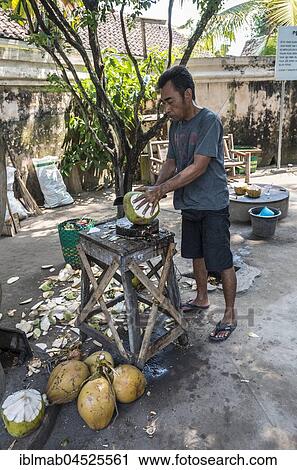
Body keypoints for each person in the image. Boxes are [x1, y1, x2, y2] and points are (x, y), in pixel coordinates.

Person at [136, 65, 237, 342]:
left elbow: (198, 167)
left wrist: (163, 189)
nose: (166, 108)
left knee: (221, 259)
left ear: (187, 94)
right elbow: (171, 161)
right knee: (196, 254)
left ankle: (230, 314)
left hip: (213, 204)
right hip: (190, 203)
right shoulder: (175, 125)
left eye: (170, 101)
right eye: (163, 102)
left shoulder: (209, 121)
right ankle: (202, 298)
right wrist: (157, 186)